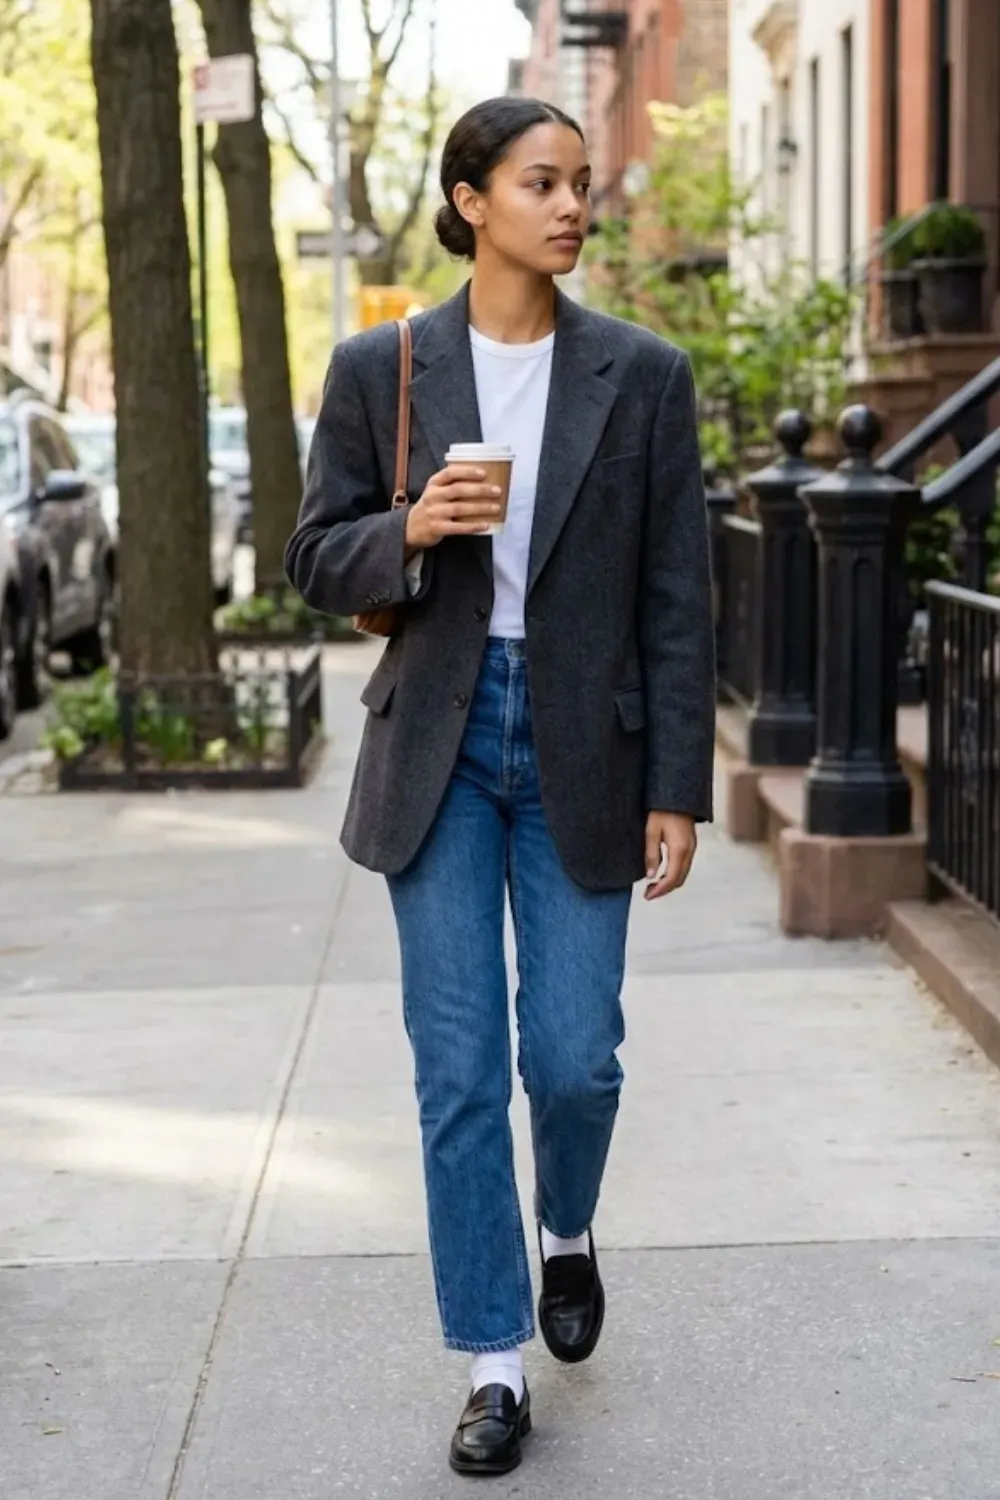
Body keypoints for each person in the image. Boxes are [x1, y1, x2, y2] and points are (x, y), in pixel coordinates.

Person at [286, 96, 716, 1478]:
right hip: (444, 746)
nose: (574, 205)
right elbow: (312, 557)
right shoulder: (383, 366)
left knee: (575, 1056)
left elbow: (678, 595)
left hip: (590, 739)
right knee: (460, 1072)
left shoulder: (641, 375)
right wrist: (408, 528)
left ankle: (567, 1227)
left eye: (583, 184)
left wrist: (681, 784)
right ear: (472, 200)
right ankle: (490, 1359)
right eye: (544, 183)